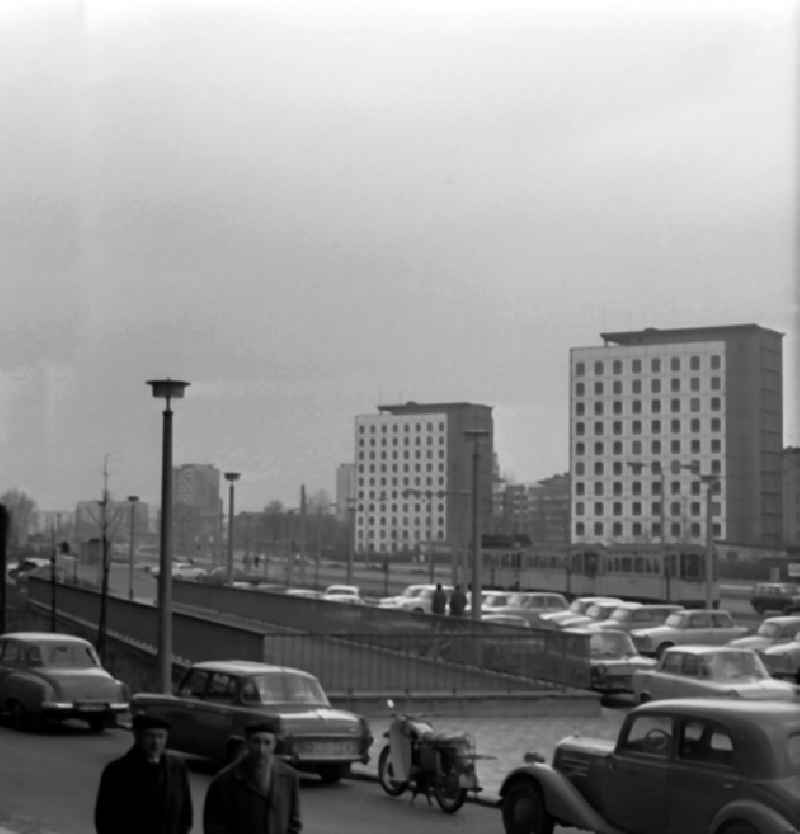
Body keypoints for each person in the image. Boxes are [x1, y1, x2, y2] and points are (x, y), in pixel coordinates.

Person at [95, 714, 193, 834]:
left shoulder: (177, 768)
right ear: (137, 736)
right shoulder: (117, 771)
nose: (156, 743)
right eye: (150, 736)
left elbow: (185, 810)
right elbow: (104, 817)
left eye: (161, 736)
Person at [204, 719, 302, 834]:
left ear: (274, 745)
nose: (261, 750)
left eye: (267, 743)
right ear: (247, 743)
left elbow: (294, 821)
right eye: (256, 742)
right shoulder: (225, 780)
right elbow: (214, 825)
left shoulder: (289, 776)